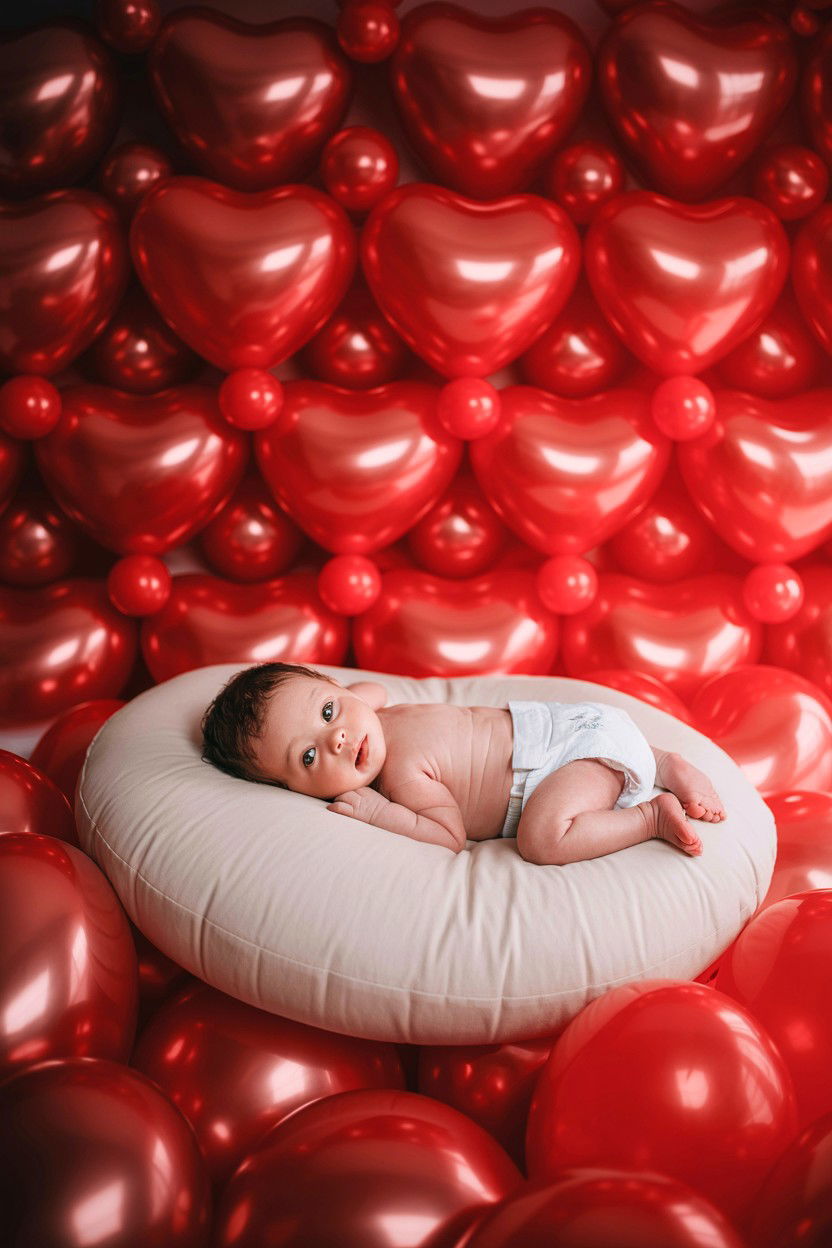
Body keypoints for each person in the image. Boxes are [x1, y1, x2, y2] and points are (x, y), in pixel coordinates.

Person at [201, 661, 726, 864]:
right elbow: (373, 688)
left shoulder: (399, 776)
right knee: (615, 759)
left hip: (563, 760)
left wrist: (380, 814)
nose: (338, 738)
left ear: (337, 690)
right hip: (583, 726)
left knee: (542, 839)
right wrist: (341, 700)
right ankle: (661, 761)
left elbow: (446, 834)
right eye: (310, 755)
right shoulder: (374, 711)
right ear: (291, 791)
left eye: (329, 710)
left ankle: (649, 815)